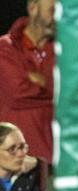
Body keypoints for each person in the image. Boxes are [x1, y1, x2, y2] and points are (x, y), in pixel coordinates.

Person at [0, 0, 55, 163]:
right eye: (52, 11)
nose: (58, 18)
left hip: (55, 161)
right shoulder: (5, 49)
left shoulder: (65, 51)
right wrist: (53, 87)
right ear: (33, 8)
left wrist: (40, 81)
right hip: (13, 165)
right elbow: (17, 94)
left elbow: (74, 95)